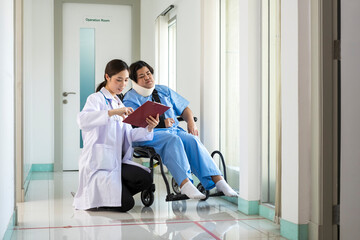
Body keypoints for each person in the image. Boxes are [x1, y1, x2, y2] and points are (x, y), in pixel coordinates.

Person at [122, 60, 237, 199]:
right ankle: (185, 184)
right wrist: (161, 124)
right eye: (141, 76)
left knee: (191, 139)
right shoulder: (130, 98)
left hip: (173, 131)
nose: (147, 77)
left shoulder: (163, 90)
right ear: (134, 81)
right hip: (150, 135)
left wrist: (190, 123)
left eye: (148, 73)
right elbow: (132, 125)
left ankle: (219, 181)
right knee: (172, 139)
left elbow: (184, 109)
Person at [73, 59, 159, 212]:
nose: (122, 84)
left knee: (146, 178)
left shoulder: (119, 103)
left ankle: (114, 192)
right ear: (107, 77)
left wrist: (149, 128)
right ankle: (98, 198)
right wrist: (112, 113)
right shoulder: (96, 99)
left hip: (116, 162)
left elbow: (128, 134)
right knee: (127, 205)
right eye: (118, 80)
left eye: (126, 80)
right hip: (100, 164)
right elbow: (82, 120)